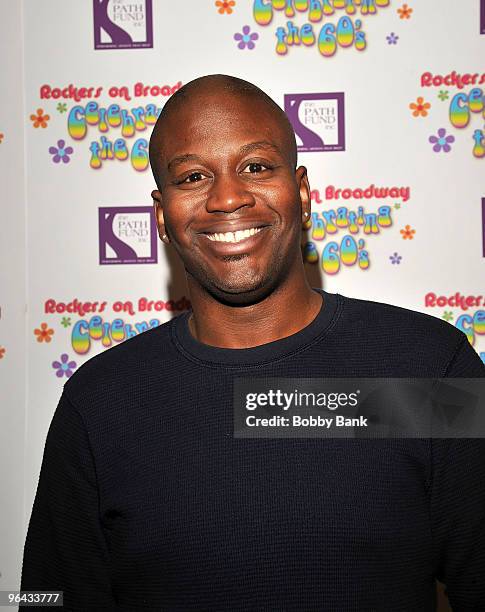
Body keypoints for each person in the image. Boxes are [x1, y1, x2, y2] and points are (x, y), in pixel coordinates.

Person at [20, 74, 485, 611]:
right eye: (193, 176)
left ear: (304, 193)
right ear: (162, 216)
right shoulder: (100, 402)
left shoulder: (429, 369)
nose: (228, 197)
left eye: (256, 167)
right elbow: (42, 598)